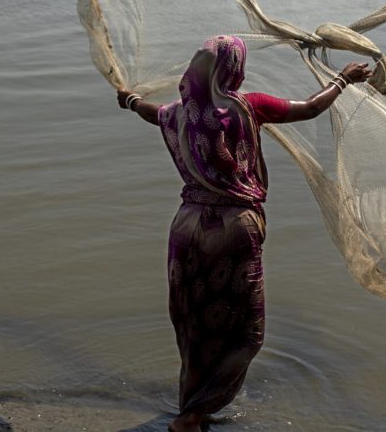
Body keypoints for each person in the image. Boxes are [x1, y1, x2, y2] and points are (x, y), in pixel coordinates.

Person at [116, 35, 370, 432]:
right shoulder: (248, 107)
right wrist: (343, 78)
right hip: (234, 229)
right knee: (246, 332)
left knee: (194, 322)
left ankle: (193, 408)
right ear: (234, 69)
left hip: (186, 227)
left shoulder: (178, 114)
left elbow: (148, 111)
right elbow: (310, 108)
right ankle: (192, 415)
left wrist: (129, 99)